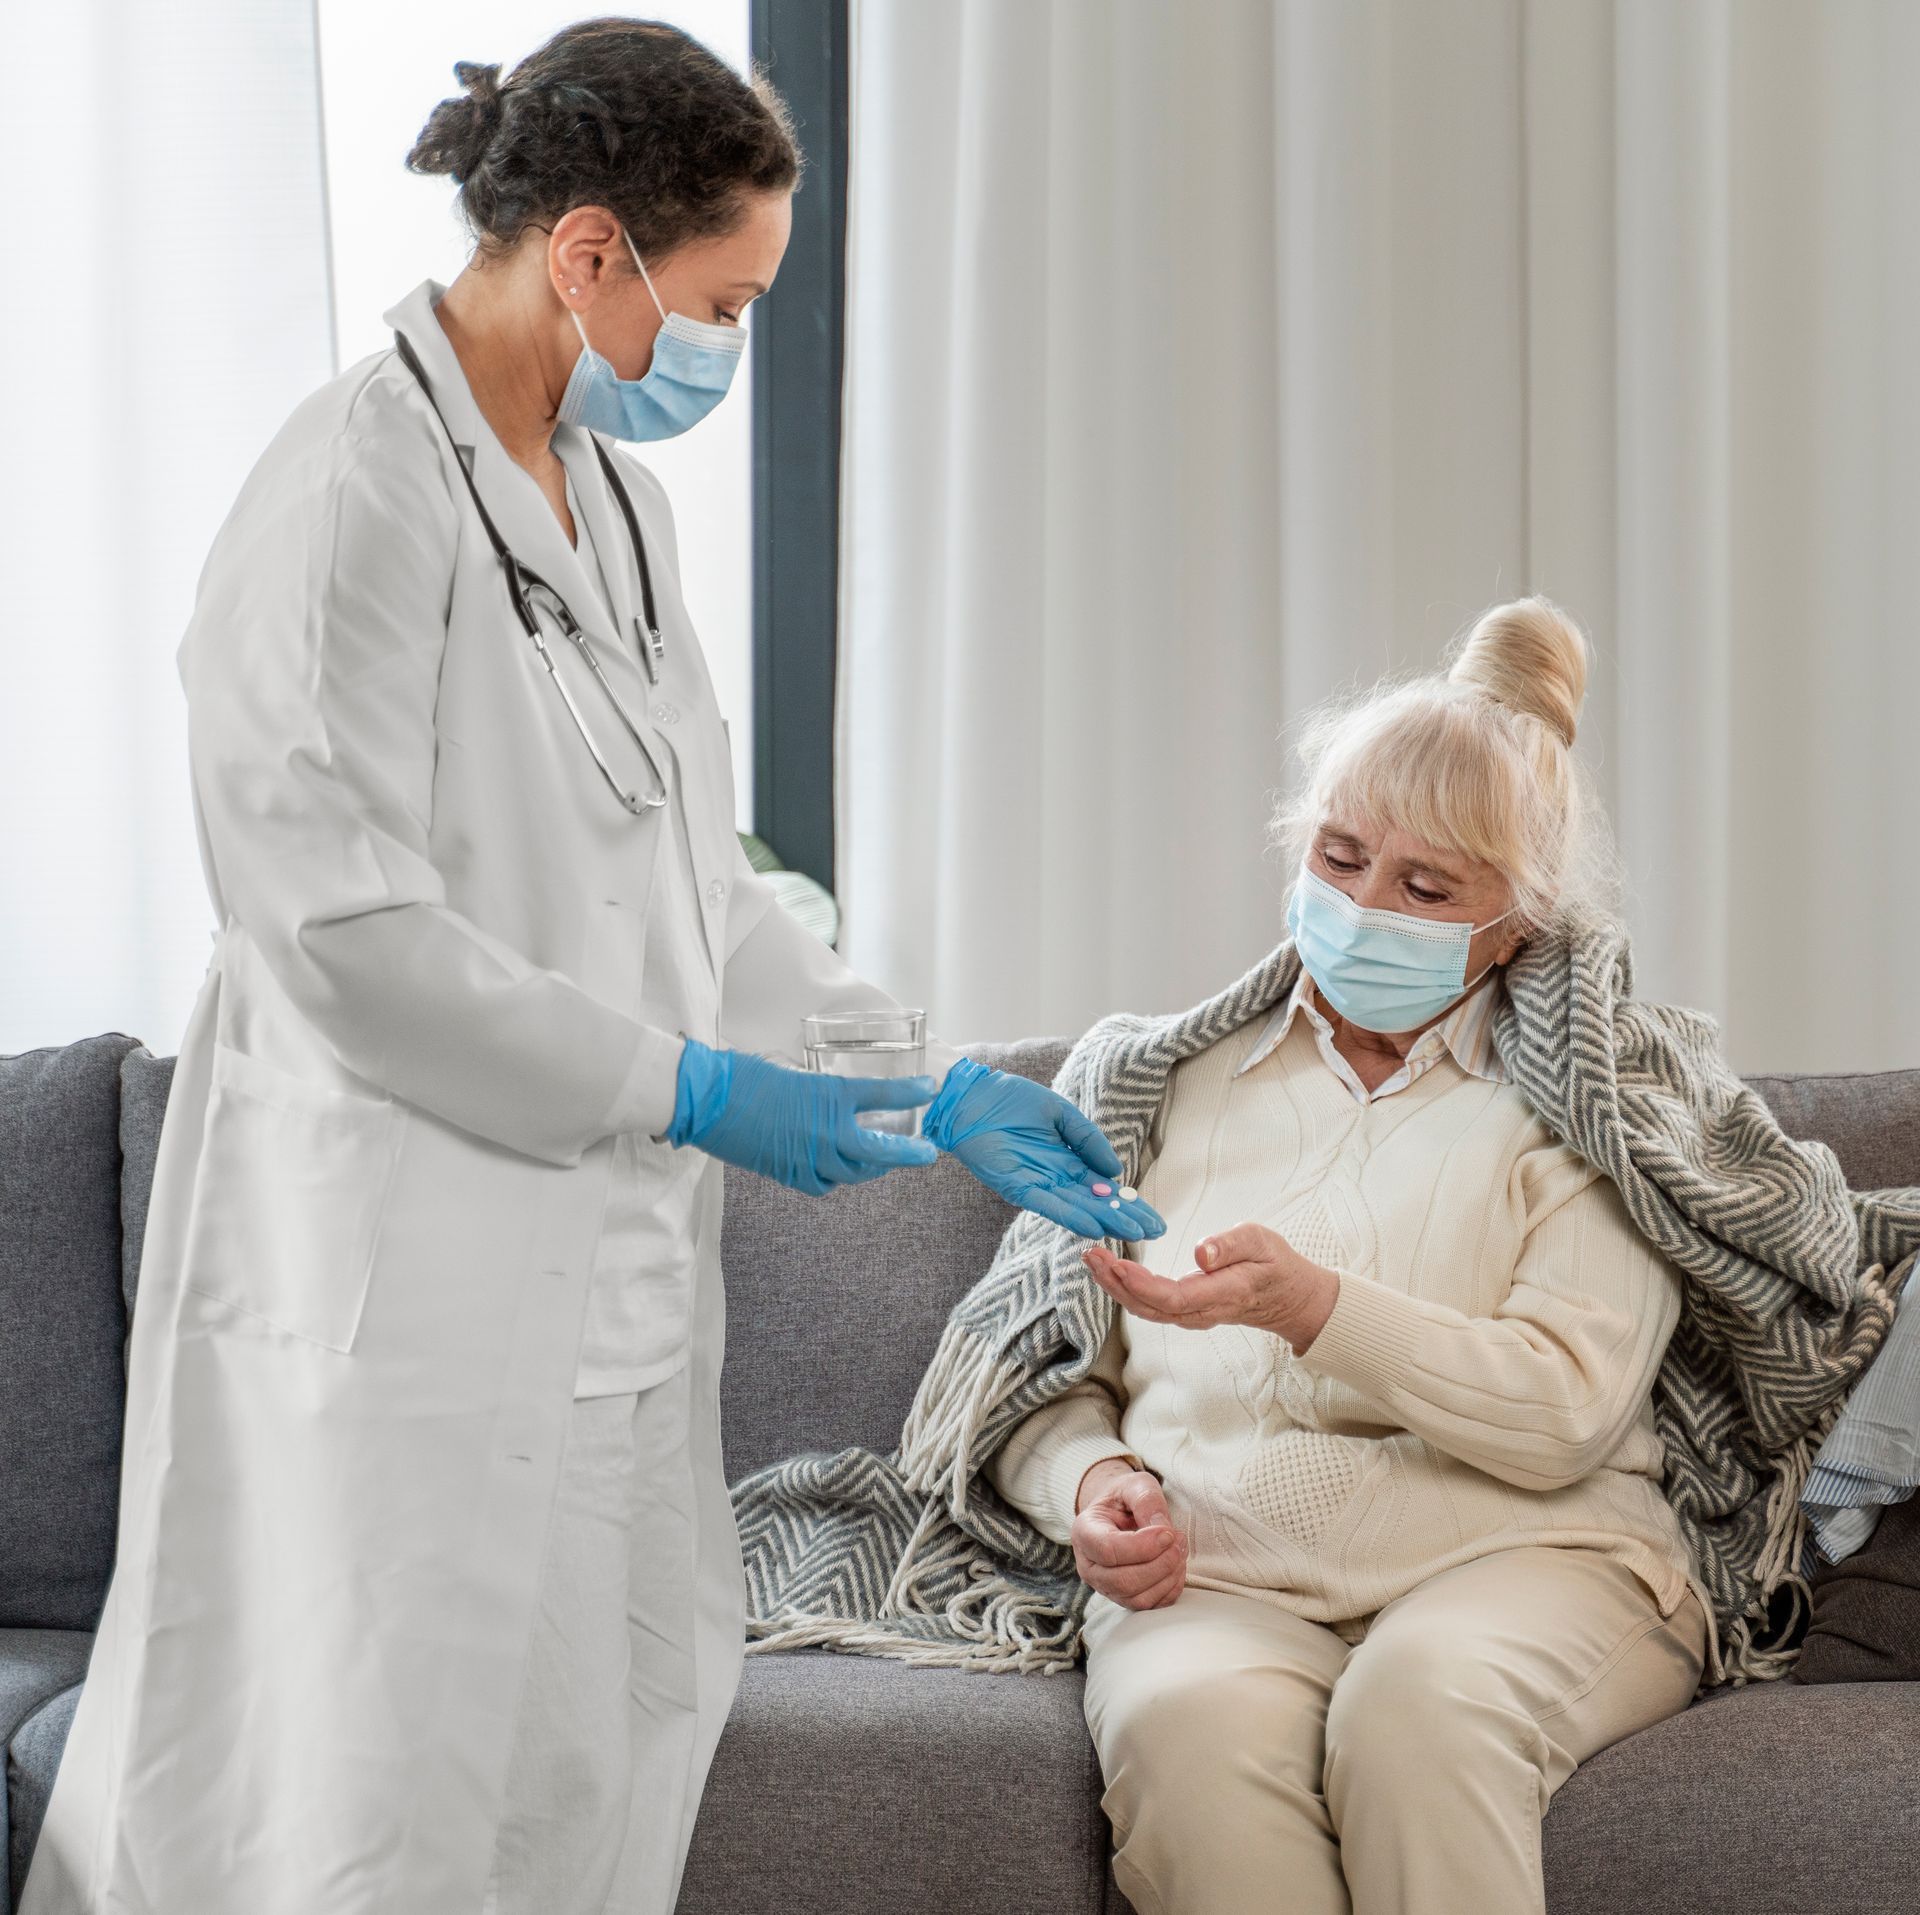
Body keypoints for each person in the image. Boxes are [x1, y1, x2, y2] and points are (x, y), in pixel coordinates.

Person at [17, 22, 1165, 1915]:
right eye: (724, 298)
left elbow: (688, 882)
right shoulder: (343, 505)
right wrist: (691, 1090)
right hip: (401, 1301)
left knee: (595, 1773)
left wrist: (919, 1076)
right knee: (368, 1810)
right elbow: (343, 938)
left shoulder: (611, 507)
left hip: (613, 1305)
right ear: (588, 253)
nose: (731, 346)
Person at [985, 596, 1710, 1915]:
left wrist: (1319, 1307)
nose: (1367, 906)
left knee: (1417, 1710)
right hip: (1225, 1562)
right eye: (1341, 856)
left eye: (1428, 888)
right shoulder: (1160, 1084)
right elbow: (1037, 1384)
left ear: (1517, 924)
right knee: (1183, 1730)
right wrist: (1095, 1484)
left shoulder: (1599, 1103)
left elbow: (1560, 1417)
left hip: (1529, 1561)